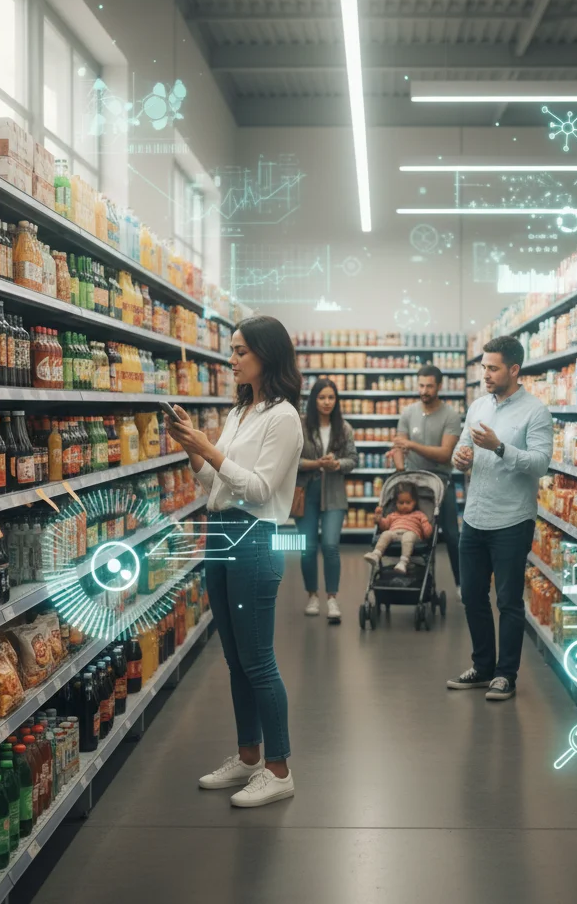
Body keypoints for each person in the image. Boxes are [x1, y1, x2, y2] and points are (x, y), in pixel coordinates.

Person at [165, 315, 303, 808]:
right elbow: (216, 486)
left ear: (267, 354)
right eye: (232, 349)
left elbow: (261, 488)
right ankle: (248, 757)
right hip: (220, 534)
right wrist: (192, 450)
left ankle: (279, 768)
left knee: (258, 660)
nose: (232, 358)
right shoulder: (240, 413)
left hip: (255, 538)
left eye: (240, 350)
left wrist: (209, 449)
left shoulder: (284, 418)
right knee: (234, 661)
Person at [447, 335, 553, 702]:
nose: (485, 375)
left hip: (512, 520)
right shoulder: (478, 406)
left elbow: (540, 463)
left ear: (514, 369)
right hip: (475, 516)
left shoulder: (535, 412)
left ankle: (506, 675)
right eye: (483, 367)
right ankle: (482, 666)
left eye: (492, 368)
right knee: (472, 595)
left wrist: (500, 447)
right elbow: (462, 448)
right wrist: (460, 459)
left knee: (508, 600)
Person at [386, 364, 462, 596]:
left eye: (429, 386)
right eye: (421, 385)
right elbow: (400, 447)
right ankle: (408, 576)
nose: (424, 390)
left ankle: (461, 584)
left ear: (439, 386)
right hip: (412, 480)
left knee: (451, 533)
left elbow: (444, 454)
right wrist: (400, 468)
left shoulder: (451, 415)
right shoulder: (409, 413)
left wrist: (411, 445)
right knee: (405, 525)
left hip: (440, 481)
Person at [296, 378, 358, 623]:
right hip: (305, 493)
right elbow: (291, 461)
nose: (326, 402)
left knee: (331, 546)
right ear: (313, 400)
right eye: (321, 397)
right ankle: (312, 595)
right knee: (308, 548)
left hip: (334, 493)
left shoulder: (344, 428)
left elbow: (353, 460)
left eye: (331, 397)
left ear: (336, 400)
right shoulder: (300, 426)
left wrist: (337, 464)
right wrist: (316, 464)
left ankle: (332, 597)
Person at [364, 481, 433, 573]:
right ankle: (376, 554)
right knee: (386, 534)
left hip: (412, 534)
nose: (404, 506)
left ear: (414, 502)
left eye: (408, 502)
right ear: (396, 503)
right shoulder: (393, 515)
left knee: (407, 536)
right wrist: (379, 519)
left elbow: (427, 533)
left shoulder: (419, 515)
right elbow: (384, 526)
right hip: (395, 534)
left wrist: (425, 524)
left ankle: (403, 562)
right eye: (401, 503)